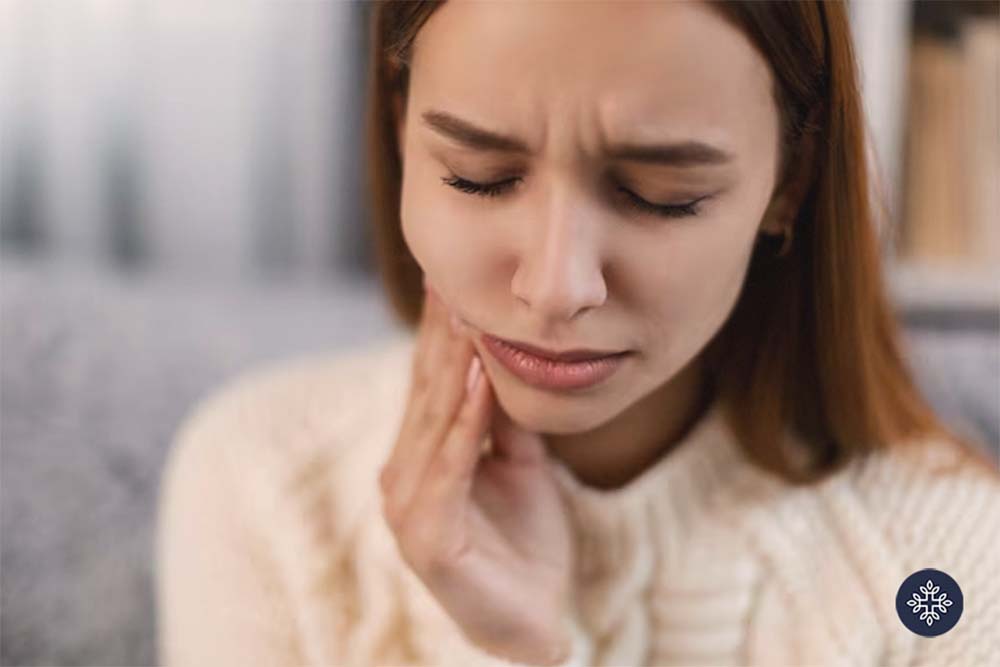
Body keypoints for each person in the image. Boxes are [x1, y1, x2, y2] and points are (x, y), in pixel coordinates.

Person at [155, 1, 1000, 665]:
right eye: (479, 178)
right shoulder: (263, 478)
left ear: (789, 182)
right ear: (400, 132)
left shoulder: (945, 565)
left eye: (660, 193)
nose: (556, 287)